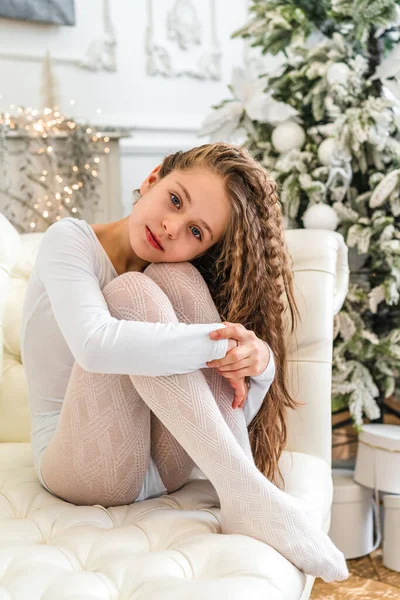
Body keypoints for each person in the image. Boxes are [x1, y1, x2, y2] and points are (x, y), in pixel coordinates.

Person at [20, 142, 348, 582]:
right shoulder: (70, 240)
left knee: (175, 277)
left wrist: (260, 364)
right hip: (81, 465)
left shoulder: (177, 273)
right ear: (152, 178)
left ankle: (243, 492)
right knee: (128, 293)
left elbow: (222, 418)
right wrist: (218, 347)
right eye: (175, 200)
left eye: (197, 232)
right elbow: (95, 345)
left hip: (166, 469)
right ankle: (248, 494)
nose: (173, 227)